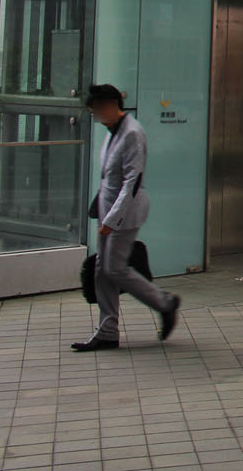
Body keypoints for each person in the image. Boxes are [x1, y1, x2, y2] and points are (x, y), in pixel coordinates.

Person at [71, 84, 180, 351]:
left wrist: (112, 220)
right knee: (102, 271)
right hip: (108, 210)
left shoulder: (132, 133)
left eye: (97, 108)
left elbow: (132, 181)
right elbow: (109, 176)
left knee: (114, 269)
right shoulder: (113, 132)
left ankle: (164, 303)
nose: (95, 114)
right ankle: (107, 331)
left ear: (112, 105)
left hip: (125, 213)